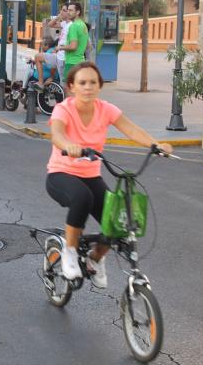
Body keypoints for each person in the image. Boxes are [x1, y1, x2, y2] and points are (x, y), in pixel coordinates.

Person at [46, 62, 173, 285]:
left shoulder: (106, 109)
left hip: (91, 175)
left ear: (99, 86)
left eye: (93, 83)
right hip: (61, 173)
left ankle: (94, 259)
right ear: (71, 87)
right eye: (82, 83)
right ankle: (70, 252)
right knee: (82, 197)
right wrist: (69, 145)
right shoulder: (63, 109)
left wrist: (156, 144)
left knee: (119, 221)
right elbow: (56, 133)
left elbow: (132, 129)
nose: (88, 87)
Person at [35, 4, 69, 91]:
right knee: (38, 57)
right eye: (61, 9)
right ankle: (41, 83)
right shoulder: (64, 23)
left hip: (63, 56)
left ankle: (44, 82)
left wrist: (60, 48)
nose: (61, 12)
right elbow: (50, 24)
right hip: (58, 54)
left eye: (64, 10)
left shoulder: (71, 25)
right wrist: (58, 17)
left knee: (64, 85)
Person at [58, 2, 89, 86]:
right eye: (68, 10)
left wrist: (60, 47)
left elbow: (73, 46)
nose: (68, 12)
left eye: (71, 10)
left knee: (69, 92)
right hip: (81, 62)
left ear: (78, 12)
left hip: (71, 63)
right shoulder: (83, 25)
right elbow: (88, 46)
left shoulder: (74, 26)